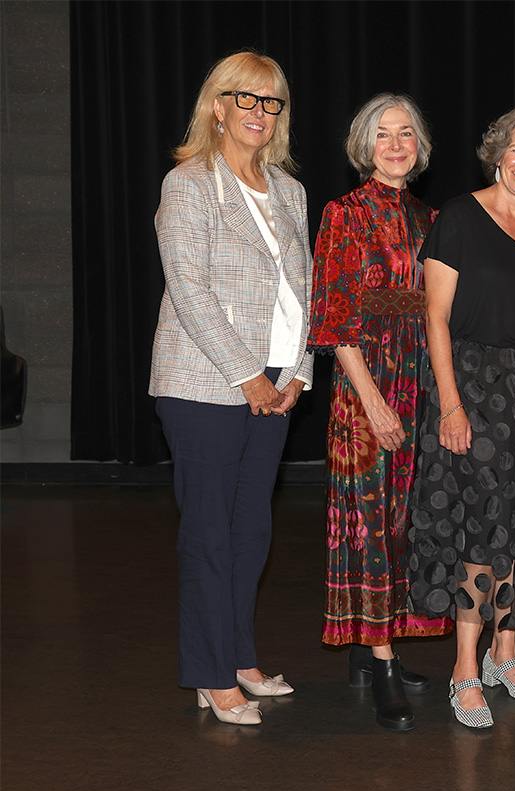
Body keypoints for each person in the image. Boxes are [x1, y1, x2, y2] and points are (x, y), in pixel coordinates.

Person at [149, 50, 313, 726]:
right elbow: (190, 290)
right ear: (217, 106)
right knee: (210, 535)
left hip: (277, 384)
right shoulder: (189, 184)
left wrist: (298, 370)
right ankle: (210, 675)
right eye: (245, 99)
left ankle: (240, 656)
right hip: (205, 384)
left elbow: (305, 289)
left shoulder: (289, 190)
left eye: (270, 102)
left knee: (251, 529)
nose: (258, 113)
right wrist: (246, 374)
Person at [406, 107, 515, 729]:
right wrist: (451, 405)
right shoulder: (457, 217)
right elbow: (435, 319)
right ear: (498, 152)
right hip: (473, 388)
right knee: (480, 528)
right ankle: (464, 669)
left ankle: (507, 654)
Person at [307, 93, 451, 732]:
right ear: (364, 146)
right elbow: (332, 318)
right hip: (367, 384)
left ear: (419, 146)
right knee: (367, 518)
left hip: (419, 379)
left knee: (403, 520)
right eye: (382, 134)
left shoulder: (432, 216)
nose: (395, 145)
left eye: (406, 134)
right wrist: (370, 400)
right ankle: (383, 661)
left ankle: (374, 647)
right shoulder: (342, 214)